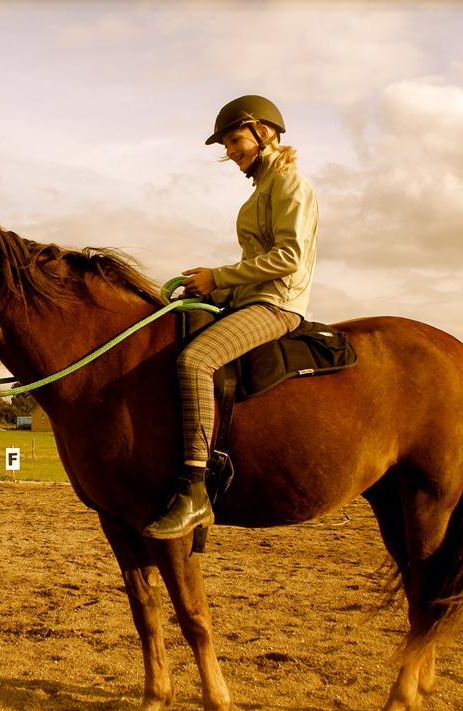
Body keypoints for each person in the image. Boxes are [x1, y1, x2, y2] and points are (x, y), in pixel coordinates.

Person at [143, 95, 319, 540]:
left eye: (236, 140)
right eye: (226, 145)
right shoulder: (263, 188)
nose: (230, 152)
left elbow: (289, 258)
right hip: (248, 299)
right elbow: (258, 260)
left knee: (196, 361)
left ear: (265, 133)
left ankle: (195, 489)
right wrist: (212, 287)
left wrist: (218, 275)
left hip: (277, 305)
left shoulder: (289, 184)